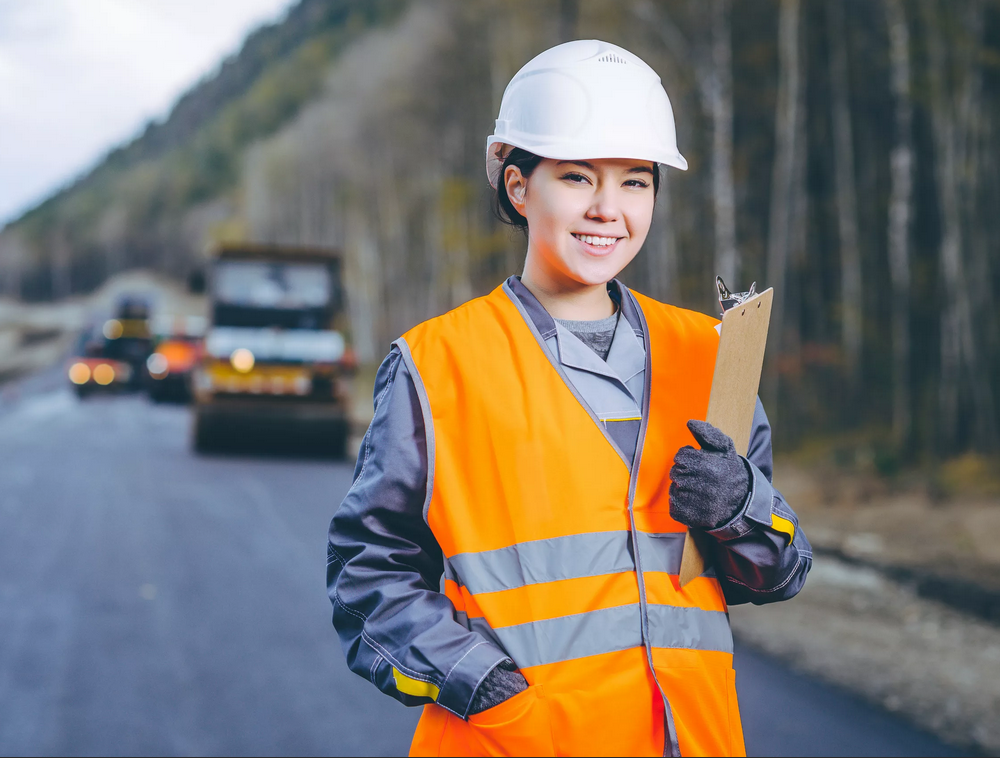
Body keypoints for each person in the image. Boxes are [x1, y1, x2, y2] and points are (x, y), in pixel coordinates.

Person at [326, 40, 811, 757]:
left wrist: (741, 506)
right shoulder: (438, 365)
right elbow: (368, 572)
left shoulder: (710, 354)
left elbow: (776, 574)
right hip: (515, 742)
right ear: (518, 187)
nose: (607, 210)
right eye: (578, 177)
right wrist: (478, 680)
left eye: (635, 182)